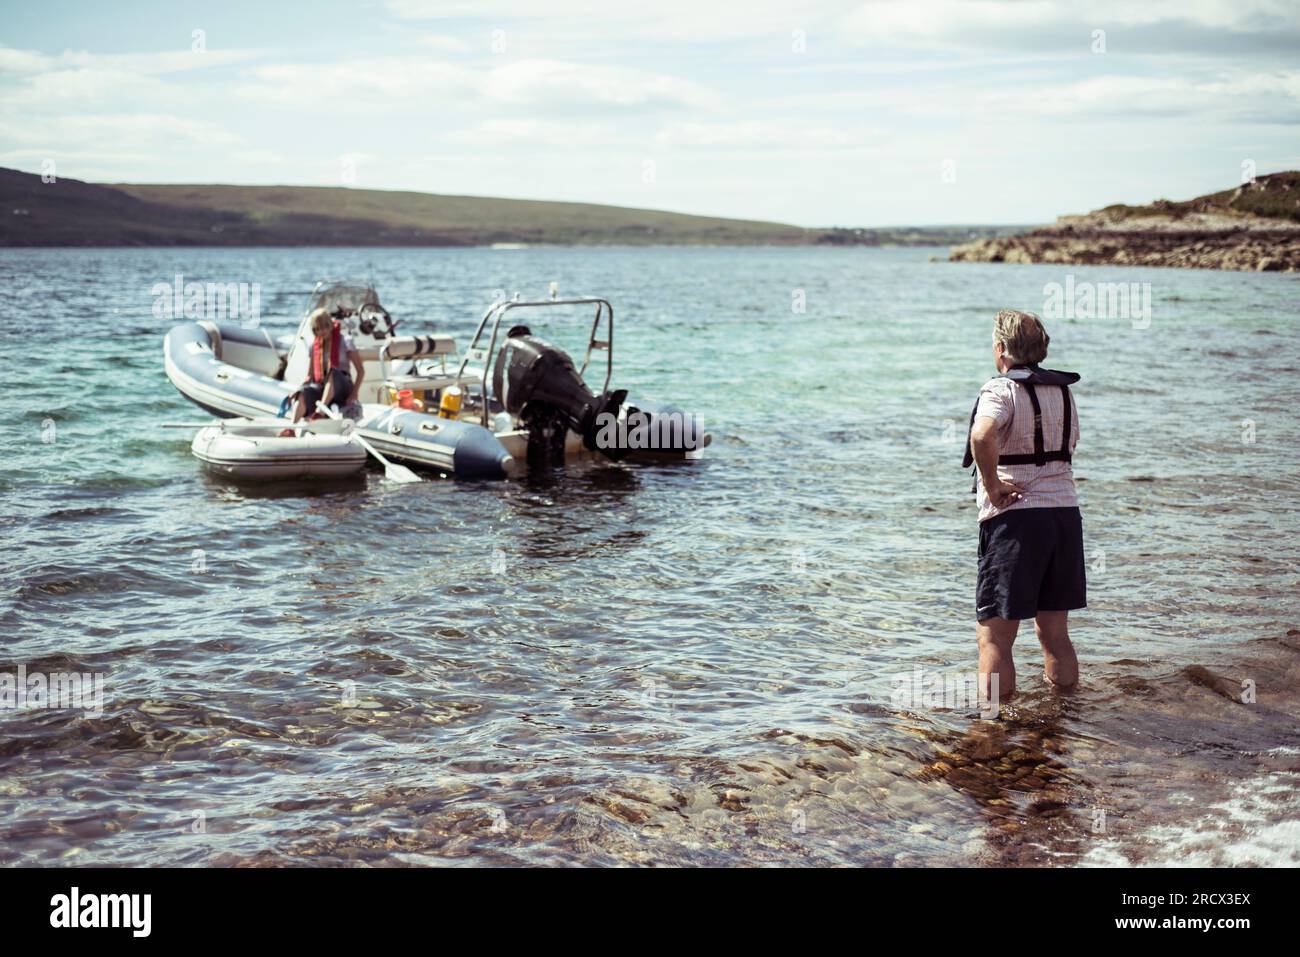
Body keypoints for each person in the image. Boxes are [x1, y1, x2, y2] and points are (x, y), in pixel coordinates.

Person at [962, 309, 1085, 699]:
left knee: (995, 638)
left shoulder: (1000, 390)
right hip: (1064, 517)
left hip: (1016, 523)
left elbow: (982, 435)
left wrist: (993, 484)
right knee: (1054, 633)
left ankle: (992, 725)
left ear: (1001, 349)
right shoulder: (1063, 393)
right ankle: (1065, 710)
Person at [285, 308, 365, 432]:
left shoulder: (346, 341)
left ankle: (319, 412)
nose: (321, 331)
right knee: (303, 392)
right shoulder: (314, 346)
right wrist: (298, 390)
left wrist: (354, 394)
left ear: (330, 326)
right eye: (317, 329)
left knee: (333, 372)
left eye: (323, 327)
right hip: (322, 389)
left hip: (343, 386)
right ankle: (291, 428)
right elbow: (309, 376)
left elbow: (361, 371)